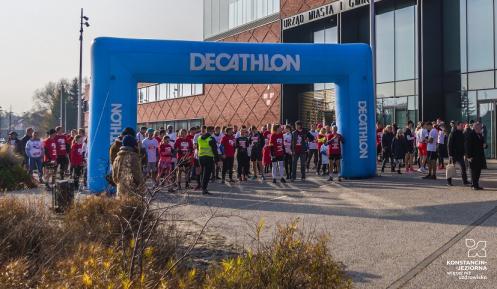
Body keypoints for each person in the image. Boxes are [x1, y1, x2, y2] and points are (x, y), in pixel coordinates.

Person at [465, 122, 486, 190]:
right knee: (473, 171)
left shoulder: (480, 134)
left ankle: (476, 184)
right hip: (473, 156)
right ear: (476, 127)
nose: (481, 129)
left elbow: (483, 143)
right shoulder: (470, 134)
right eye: (480, 127)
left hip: (479, 156)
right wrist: (469, 156)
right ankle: (474, 185)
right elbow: (468, 146)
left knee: (478, 171)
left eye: (481, 127)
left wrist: (485, 146)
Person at [197, 125, 218, 195]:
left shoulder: (199, 137)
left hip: (201, 157)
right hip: (208, 158)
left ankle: (202, 187)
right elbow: (215, 149)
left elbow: (197, 147)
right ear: (210, 131)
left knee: (202, 173)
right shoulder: (211, 139)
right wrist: (217, 159)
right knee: (207, 174)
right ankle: (204, 189)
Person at [447, 121, 470, 186]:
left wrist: (464, 152)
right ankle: (449, 182)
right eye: (461, 125)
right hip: (453, 154)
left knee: (463, 167)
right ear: (457, 126)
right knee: (450, 168)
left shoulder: (462, 133)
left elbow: (463, 144)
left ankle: (465, 181)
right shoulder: (452, 133)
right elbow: (449, 144)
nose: (462, 126)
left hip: (460, 154)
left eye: (463, 125)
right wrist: (450, 154)